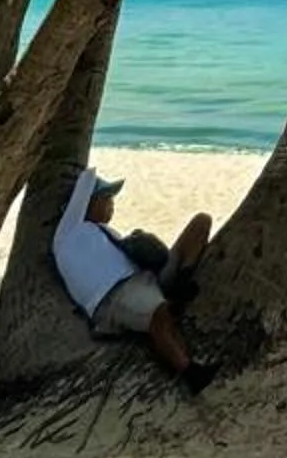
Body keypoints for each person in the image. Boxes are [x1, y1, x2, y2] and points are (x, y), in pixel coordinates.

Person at [52, 167, 215, 391]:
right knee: (158, 315)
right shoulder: (69, 232)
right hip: (116, 294)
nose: (112, 204)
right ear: (86, 202)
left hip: (146, 279)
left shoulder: (106, 233)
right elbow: (86, 177)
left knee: (201, 222)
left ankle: (181, 282)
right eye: (106, 198)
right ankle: (190, 372)